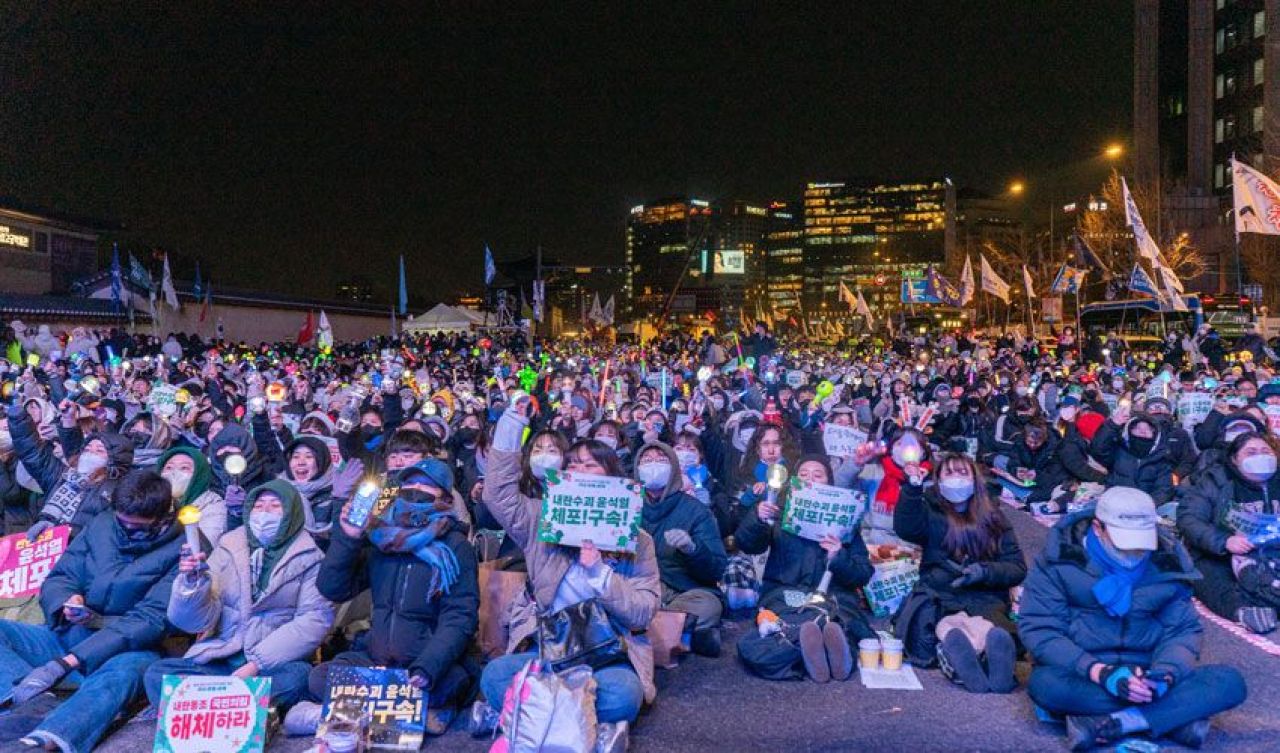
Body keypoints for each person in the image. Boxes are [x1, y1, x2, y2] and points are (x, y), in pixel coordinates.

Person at [479, 401, 659, 740]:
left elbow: (644, 612)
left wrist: (601, 575)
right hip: (548, 646)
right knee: (494, 677)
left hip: (608, 652)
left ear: (611, 478)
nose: (579, 471)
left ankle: (528, 714)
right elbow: (498, 495)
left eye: (591, 466)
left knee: (623, 695)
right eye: (573, 465)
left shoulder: (637, 539)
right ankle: (583, 723)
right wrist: (513, 421)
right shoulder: (539, 519)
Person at [1020, 486, 1247, 750]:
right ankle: (1172, 718)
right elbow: (1041, 630)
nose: (1134, 552)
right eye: (1124, 542)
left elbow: (1182, 631)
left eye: (1141, 543)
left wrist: (1164, 676)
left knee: (1230, 682)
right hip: (1087, 671)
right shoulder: (1059, 562)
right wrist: (1101, 673)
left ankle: (1122, 722)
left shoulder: (1167, 562)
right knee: (1045, 685)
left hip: (1148, 671)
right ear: (1097, 528)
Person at [289, 458, 479, 736]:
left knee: (456, 681)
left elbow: (459, 616)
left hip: (425, 664)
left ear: (445, 497)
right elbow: (332, 587)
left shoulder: (454, 546)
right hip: (378, 660)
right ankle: (408, 710)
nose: (415, 489)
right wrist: (349, 538)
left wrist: (427, 667)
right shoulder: (380, 538)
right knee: (320, 676)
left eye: (426, 486)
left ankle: (372, 707)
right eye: (409, 483)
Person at [0, 471, 183, 751]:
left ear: (162, 519)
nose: (124, 530)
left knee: (122, 676)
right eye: (120, 521)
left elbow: (151, 619)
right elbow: (61, 575)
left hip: (130, 648)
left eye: (135, 527)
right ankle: (24, 702)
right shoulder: (103, 524)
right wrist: (67, 600)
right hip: (72, 632)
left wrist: (67, 662)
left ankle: (44, 739)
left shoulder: (185, 548)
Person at [144, 480, 334, 710]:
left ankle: (201, 706)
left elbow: (313, 620)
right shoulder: (228, 546)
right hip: (222, 657)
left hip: (269, 665)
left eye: (275, 506)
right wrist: (193, 585)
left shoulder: (311, 557)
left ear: (292, 513)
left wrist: (256, 663)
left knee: (298, 677)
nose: (265, 513)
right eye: (259, 506)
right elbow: (192, 622)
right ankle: (238, 706)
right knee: (157, 674)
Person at [734, 456, 875, 682]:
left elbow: (863, 574)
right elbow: (747, 544)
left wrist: (838, 556)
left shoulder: (845, 523)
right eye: (803, 475)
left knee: (835, 619)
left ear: (829, 483)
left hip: (833, 596)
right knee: (758, 643)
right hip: (785, 594)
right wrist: (758, 519)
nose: (810, 479)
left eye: (818, 475)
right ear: (793, 482)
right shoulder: (779, 514)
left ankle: (817, 649)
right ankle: (822, 653)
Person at [893, 453, 1025, 693]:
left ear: (974, 479)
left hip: (984, 595)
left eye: (962, 472)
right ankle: (971, 662)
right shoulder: (929, 510)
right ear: (938, 480)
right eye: (949, 473)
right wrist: (912, 488)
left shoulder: (994, 516)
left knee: (985, 626)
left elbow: (1017, 567)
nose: (956, 479)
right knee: (950, 627)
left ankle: (987, 663)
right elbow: (906, 527)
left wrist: (985, 572)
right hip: (940, 595)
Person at [1176, 432, 1280, 632]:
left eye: (1265, 451)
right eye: (1251, 452)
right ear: (1234, 459)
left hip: (1270, 551)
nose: (1260, 456)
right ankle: (1243, 610)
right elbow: (1189, 518)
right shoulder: (1215, 480)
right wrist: (1224, 541)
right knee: (1207, 575)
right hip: (1220, 552)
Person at [635, 441, 728, 656]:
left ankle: (641, 634)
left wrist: (692, 549)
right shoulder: (628, 506)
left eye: (661, 460)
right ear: (636, 468)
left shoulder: (696, 510)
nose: (653, 465)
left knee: (708, 606)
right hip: (640, 588)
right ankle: (685, 637)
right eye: (647, 460)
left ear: (674, 468)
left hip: (683, 591)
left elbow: (716, 568)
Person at [155, 446, 227, 547]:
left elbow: (202, 547)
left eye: (184, 468)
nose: (174, 473)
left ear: (199, 475)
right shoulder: (149, 500)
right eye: (169, 467)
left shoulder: (213, 506)